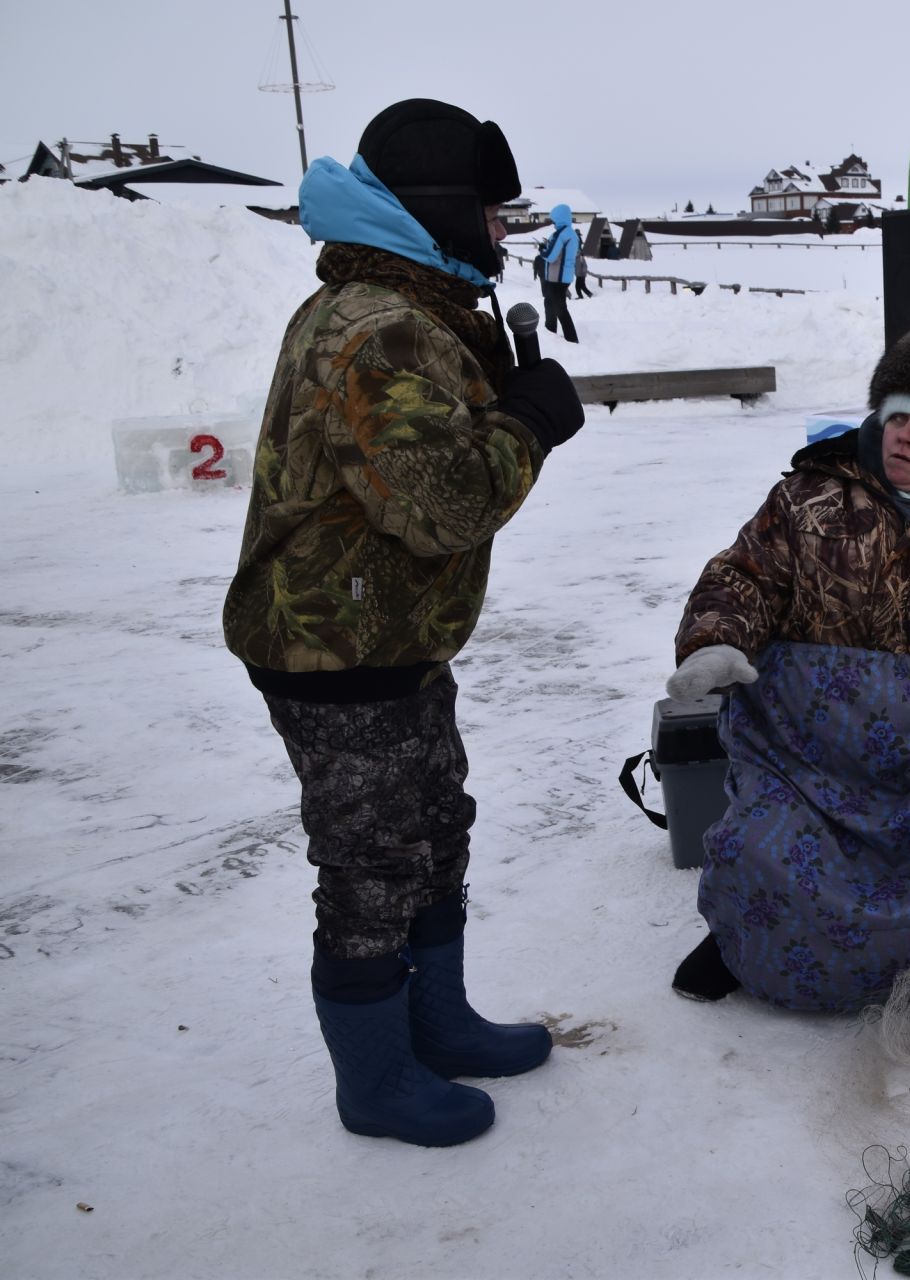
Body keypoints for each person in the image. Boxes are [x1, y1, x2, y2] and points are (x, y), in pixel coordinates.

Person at [222, 98, 586, 1148]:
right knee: (374, 862)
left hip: (386, 635)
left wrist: (501, 401)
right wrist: (527, 423)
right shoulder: (378, 329)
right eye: (489, 211)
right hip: (334, 647)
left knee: (434, 829)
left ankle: (440, 1021)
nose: (504, 232)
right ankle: (377, 1082)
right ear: (438, 209)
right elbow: (441, 507)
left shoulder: (406, 307)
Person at [664, 324, 910, 1011]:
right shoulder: (805, 498)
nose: (901, 436)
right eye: (895, 417)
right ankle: (740, 939)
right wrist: (716, 638)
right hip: (803, 768)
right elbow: (744, 579)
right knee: (757, 847)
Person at [539, 203, 580, 341]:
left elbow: (550, 256)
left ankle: (571, 339)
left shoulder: (561, 234)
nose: (552, 222)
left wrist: (542, 250)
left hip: (557, 278)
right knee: (551, 304)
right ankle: (551, 334)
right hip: (564, 277)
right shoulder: (572, 234)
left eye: (553, 219)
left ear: (558, 217)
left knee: (559, 309)